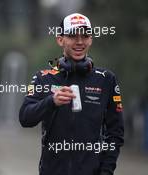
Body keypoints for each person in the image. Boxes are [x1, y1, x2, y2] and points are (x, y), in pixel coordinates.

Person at [19, 13, 124, 175]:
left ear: (91, 39)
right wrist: (51, 101)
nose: (80, 42)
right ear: (60, 40)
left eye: (85, 36)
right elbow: (25, 118)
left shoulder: (106, 79)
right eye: (73, 36)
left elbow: (115, 133)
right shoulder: (44, 78)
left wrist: (106, 171)